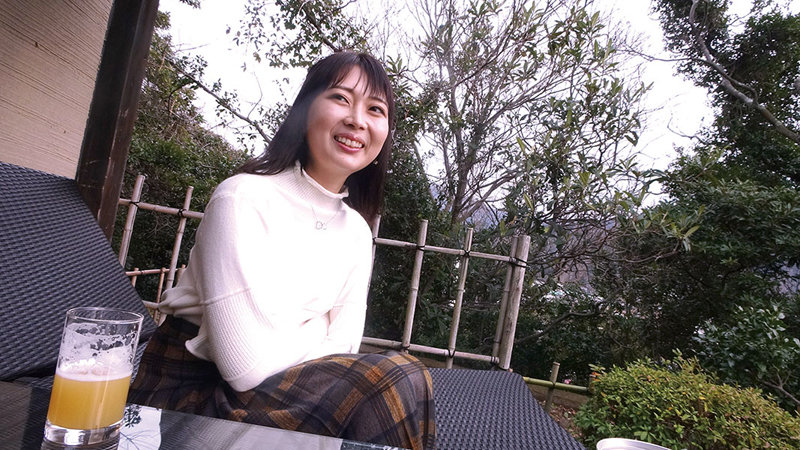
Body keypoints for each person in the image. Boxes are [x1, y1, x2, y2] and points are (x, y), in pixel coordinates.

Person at [129, 51, 436, 450]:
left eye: (375, 109)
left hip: (282, 390)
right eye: (340, 98)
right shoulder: (242, 198)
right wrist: (320, 326)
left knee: (398, 383)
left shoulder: (357, 232)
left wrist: (278, 337)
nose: (357, 120)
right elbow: (243, 367)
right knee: (396, 378)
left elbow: (345, 347)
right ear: (305, 110)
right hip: (189, 396)